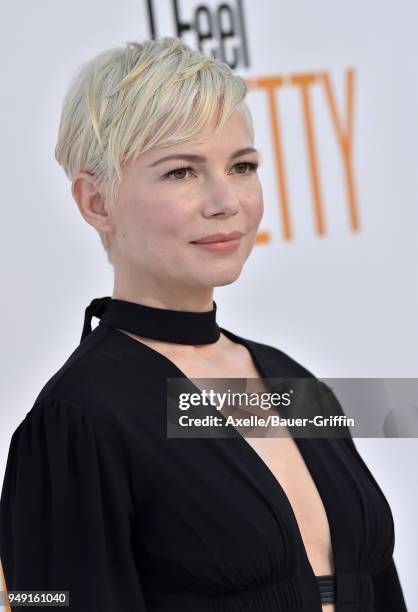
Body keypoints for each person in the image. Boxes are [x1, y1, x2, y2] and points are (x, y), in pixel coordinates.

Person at [0, 36, 407, 612]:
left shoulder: (292, 381)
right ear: (97, 203)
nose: (225, 201)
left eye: (242, 166)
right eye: (181, 173)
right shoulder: (79, 418)